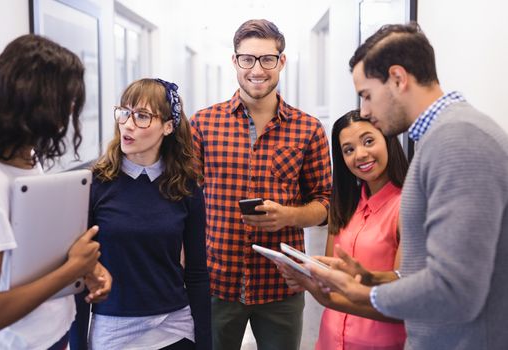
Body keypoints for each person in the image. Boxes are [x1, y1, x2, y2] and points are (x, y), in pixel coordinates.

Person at [306, 22, 508, 349]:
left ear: (398, 79)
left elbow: (456, 290)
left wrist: (365, 293)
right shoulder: (440, 138)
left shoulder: (459, 141)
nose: (365, 111)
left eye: (367, 96)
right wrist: (368, 276)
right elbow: (427, 270)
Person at [190, 19, 332, 350]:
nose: (257, 69)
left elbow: (325, 204)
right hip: (217, 282)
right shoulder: (202, 124)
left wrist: (289, 216)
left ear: (281, 61)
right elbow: (184, 201)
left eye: (267, 59)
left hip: (281, 285)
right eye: (248, 59)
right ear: (235, 61)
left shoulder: (308, 129)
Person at [0, 34, 111, 350]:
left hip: (53, 336)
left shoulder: (27, 159)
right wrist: (72, 269)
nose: (70, 111)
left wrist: (88, 267)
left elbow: (31, 253)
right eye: (65, 99)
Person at [71, 78, 211, 350]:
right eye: (124, 112)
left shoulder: (185, 186)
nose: (128, 124)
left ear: (168, 127)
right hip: (113, 328)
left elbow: (196, 273)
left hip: (174, 325)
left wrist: (205, 343)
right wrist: (77, 345)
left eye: (142, 116)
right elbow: (79, 272)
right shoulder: (95, 184)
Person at [278, 109, 408, 350]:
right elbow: (330, 269)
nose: (360, 154)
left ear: (387, 140)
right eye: (348, 150)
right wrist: (304, 272)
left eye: (368, 141)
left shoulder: (407, 206)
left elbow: (404, 293)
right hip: (330, 340)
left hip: (381, 342)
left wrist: (317, 290)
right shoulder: (345, 205)